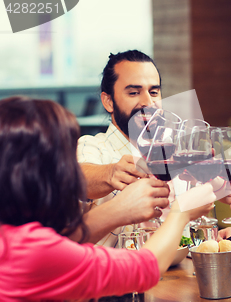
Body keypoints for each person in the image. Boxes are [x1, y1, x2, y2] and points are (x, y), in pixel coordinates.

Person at [0, 96, 216, 300]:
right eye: (65, 157)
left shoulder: (15, 237)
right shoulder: (31, 251)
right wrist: (181, 212)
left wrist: (119, 209)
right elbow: (144, 269)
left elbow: (64, 242)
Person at [77, 50, 231, 246]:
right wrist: (111, 173)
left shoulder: (174, 151)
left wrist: (210, 240)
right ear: (108, 101)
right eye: (133, 92)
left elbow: (184, 231)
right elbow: (79, 177)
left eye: (154, 92)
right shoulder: (92, 146)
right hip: (114, 273)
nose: (148, 102)